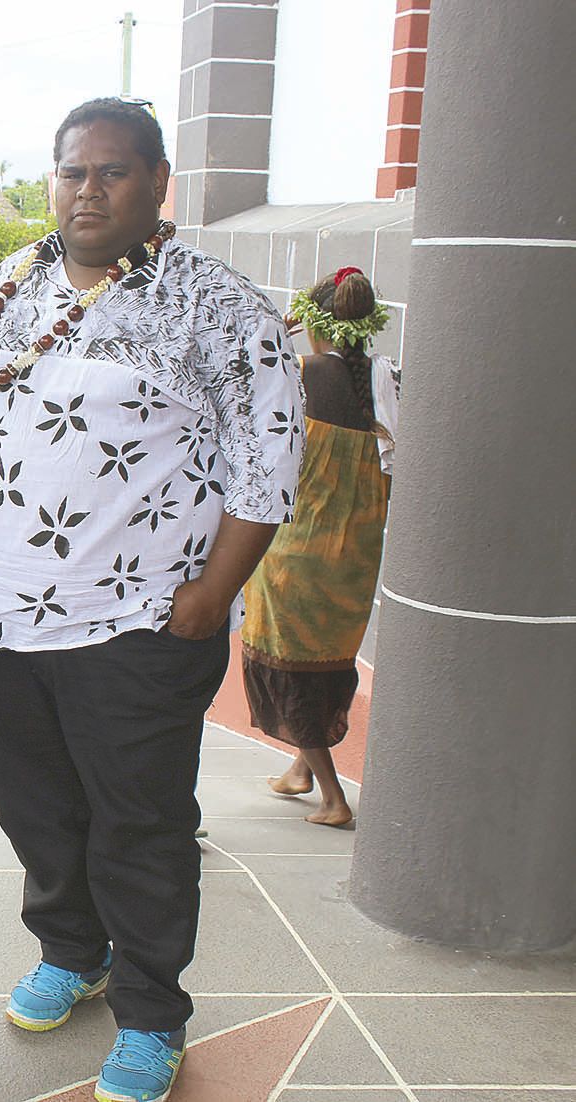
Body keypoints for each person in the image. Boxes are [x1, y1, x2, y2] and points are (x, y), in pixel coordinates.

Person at [0, 98, 303, 1101]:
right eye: (71, 171)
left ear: (157, 183)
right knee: (39, 810)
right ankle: (72, 950)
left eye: (113, 171)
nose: (88, 190)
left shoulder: (217, 305)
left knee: (140, 826)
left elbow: (268, 464)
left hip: (136, 621)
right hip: (0, 614)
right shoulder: (6, 284)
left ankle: (151, 1013)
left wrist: (212, 594)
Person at [245, 268, 399, 829]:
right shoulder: (384, 378)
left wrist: (280, 330)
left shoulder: (301, 373)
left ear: (313, 322)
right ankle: (300, 771)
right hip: (354, 561)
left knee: (288, 667)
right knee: (321, 664)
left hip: (297, 554)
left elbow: (241, 376)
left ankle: (334, 799)